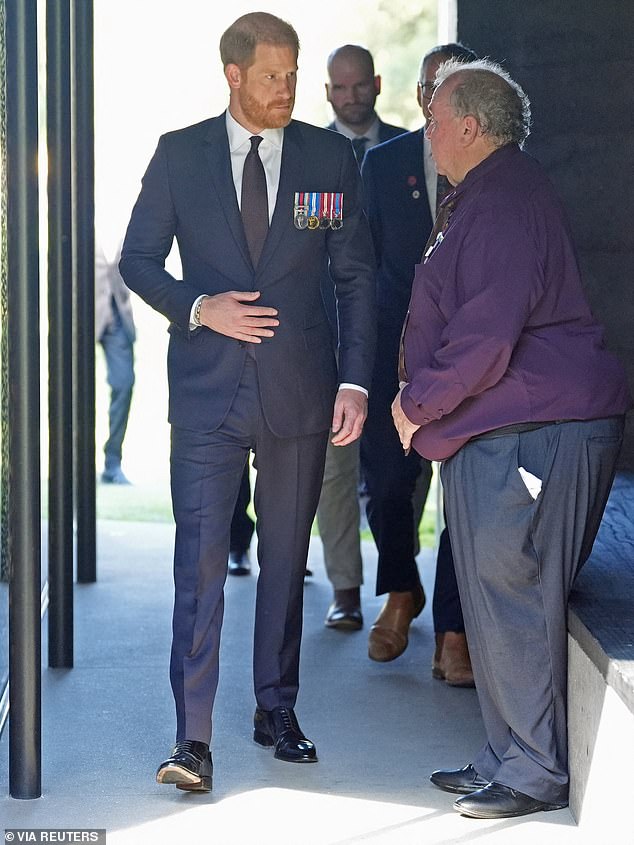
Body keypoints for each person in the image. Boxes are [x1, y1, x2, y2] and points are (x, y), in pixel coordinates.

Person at [119, 12, 375, 793]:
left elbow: (356, 277)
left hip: (300, 392)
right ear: (232, 75)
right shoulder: (179, 154)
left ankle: (277, 708)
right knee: (197, 568)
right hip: (206, 398)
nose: (286, 90)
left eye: (293, 74)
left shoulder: (330, 157)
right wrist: (200, 306)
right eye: (272, 76)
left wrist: (356, 381)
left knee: (283, 560)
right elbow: (137, 258)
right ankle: (191, 738)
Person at [392, 57, 630, 819]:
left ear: (468, 124)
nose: (425, 131)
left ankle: (533, 769)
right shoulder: (485, 194)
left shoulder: (502, 199)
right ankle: (505, 753)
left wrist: (416, 404)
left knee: (516, 593)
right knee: (494, 598)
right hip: (506, 427)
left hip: (535, 429)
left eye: (433, 118)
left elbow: (487, 335)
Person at [360, 44, 476, 684]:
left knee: (463, 493)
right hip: (391, 352)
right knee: (387, 484)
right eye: (434, 85)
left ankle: (454, 632)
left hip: (471, 355)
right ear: (418, 95)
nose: (443, 95)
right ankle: (401, 591)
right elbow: (358, 265)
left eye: (457, 84)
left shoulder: (493, 166)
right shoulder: (383, 165)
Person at [318, 44, 406, 631]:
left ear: (376, 84)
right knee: (334, 467)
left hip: (401, 335)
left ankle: (401, 575)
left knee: (401, 466)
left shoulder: (411, 150)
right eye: (339, 88)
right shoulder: (312, 157)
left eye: (359, 86)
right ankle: (346, 587)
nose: (351, 98)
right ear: (327, 92)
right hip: (332, 335)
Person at [95, 244, 136, 485]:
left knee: (124, 384)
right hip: (79, 313)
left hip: (118, 319)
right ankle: (72, 460)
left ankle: (112, 463)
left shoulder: (129, 214)